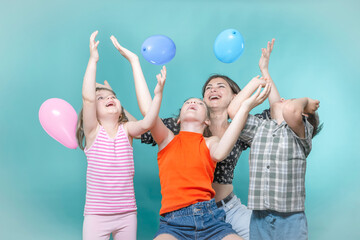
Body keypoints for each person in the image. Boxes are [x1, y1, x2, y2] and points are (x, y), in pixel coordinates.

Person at [110, 35, 271, 240]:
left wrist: (246, 104)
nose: (194, 102)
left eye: (220, 86)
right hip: (174, 220)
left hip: (213, 216)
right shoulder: (169, 137)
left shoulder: (213, 141)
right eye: (190, 101)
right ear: (178, 120)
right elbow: (147, 114)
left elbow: (224, 145)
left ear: (205, 121)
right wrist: (135, 64)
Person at [229, 40, 323, 240]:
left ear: (303, 116)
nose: (282, 100)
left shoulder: (300, 136)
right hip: (259, 216)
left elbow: (289, 111)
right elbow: (233, 111)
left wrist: (306, 102)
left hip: (290, 218)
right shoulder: (262, 128)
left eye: (287, 99)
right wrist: (261, 74)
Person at [76, 31, 166, 240]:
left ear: (121, 107)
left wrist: (158, 96)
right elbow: (87, 98)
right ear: (92, 112)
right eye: (102, 98)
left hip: (127, 214)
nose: (109, 98)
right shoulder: (93, 132)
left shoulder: (127, 131)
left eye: (113, 97)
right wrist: (93, 60)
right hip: (96, 215)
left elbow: (147, 123)